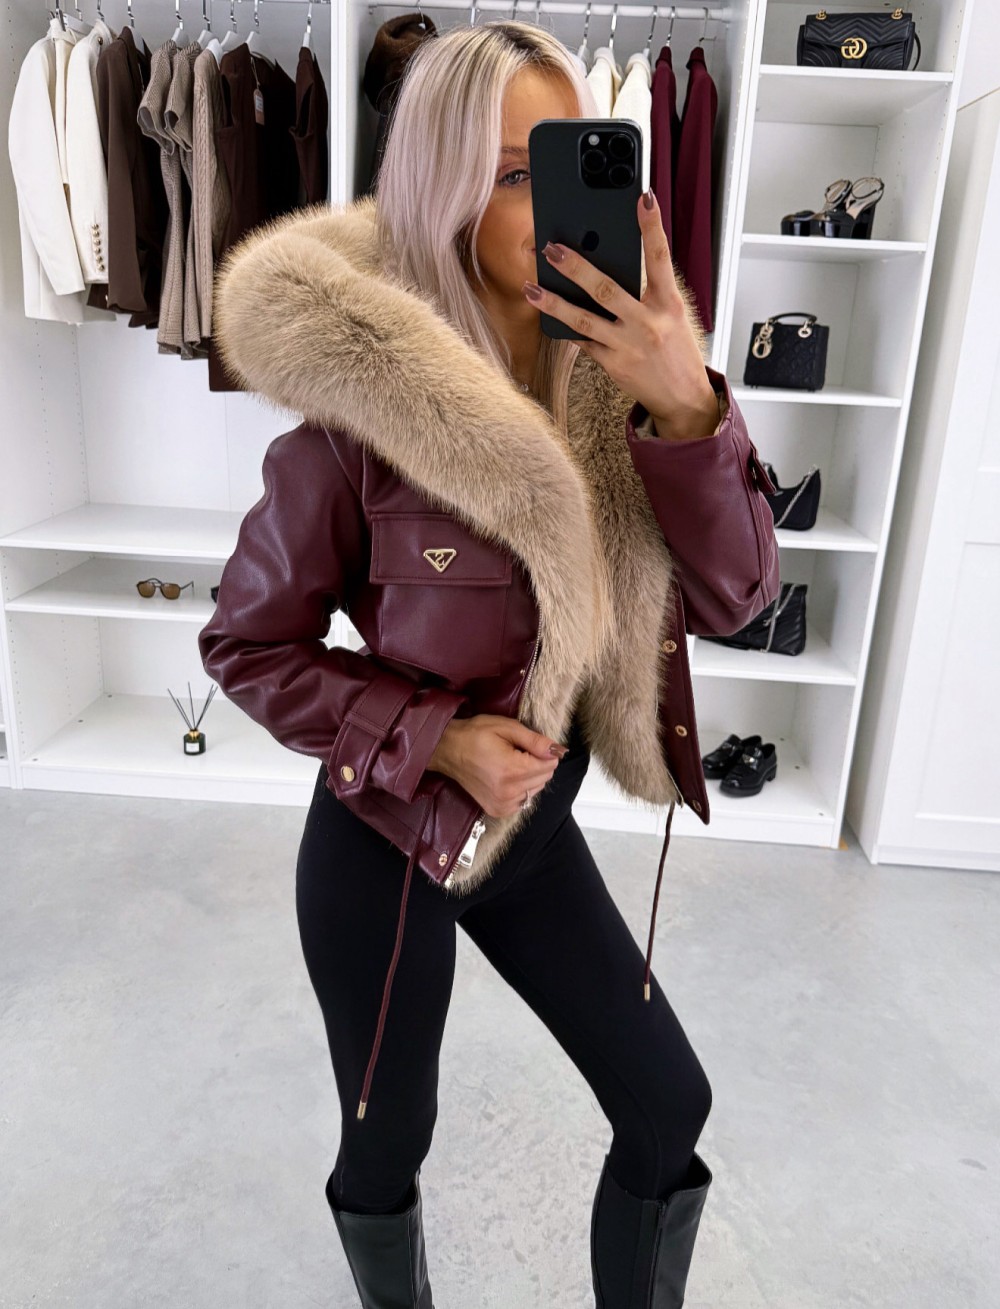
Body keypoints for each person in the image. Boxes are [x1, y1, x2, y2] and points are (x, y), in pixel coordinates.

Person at [198, 19, 780, 1309]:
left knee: (668, 1102)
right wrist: (437, 738)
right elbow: (245, 643)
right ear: (444, 191)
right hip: (387, 838)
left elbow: (741, 600)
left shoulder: (629, 383)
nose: (559, 197)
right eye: (517, 171)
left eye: (576, 154)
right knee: (388, 1140)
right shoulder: (359, 417)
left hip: (532, 828)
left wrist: (689, 408)